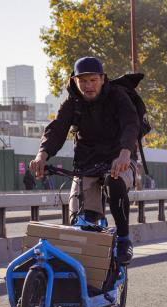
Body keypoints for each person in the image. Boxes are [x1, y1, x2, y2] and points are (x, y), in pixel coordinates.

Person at [30, 56, 139, 268]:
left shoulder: (117, 96)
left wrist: (125, 152)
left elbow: (130, 124)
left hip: (120, 160)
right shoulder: (73, 102)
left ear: (102, 79)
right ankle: (84, 280)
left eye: (93, 80)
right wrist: (42, 155)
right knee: (82, 224)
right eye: (83, 81)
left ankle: (124, 240)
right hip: (86, 165)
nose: (88, 86)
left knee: (114, 183)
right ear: (75, 81)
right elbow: (57, 129)